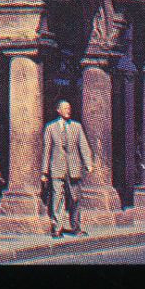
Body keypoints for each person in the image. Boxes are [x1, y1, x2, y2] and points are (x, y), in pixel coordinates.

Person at [41, 99, 94, 238]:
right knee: (57, 199)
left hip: (74, 168)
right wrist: (44, 172)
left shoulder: (76, 127)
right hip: (57, 168)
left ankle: (76, 227)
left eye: (69, 108)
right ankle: (57, 228)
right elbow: (47, 150)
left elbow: (83, 145)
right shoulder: (50, 128)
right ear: (58, 110)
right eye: (65, 108)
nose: (68, 111)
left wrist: (88, 163)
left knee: (75, 199)